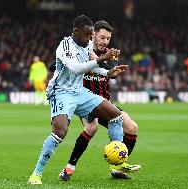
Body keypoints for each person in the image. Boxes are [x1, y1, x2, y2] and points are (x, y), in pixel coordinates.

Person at [28, 15, 128, 185]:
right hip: (61, 92)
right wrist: (102, 58)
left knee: (116, 115)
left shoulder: (87, 44)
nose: (90, 38)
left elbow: (92, 63)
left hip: (79, 91)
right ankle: (36, 174)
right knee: (60, 131)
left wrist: (108, 73)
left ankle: (117, 161)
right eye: (87, 34)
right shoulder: (65, 46)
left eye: (91, 35)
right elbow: (75, 68)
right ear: (76, 32)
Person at [58, 20, 141, 181]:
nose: (105, 42)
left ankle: (118, 166)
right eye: (102, 37)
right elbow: (60, 63)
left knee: (132, 127)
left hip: (104, 102)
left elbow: (111, 67)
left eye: (108, 39)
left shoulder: (111, 53)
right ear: (93, 35)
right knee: (92, 127)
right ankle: (69, 168)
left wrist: (102, 60)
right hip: (84, 101)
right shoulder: (79, 50)